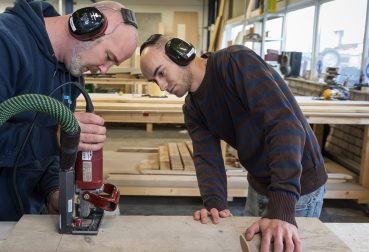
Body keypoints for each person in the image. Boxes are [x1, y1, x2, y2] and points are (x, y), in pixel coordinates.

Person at [0, 0, 138, 221]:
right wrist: (53, 136)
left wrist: (52, 191)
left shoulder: (68, 72)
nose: (104, 70)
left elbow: (45, 151)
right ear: (87, 26)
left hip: (19, 209)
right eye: (108, 57)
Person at [139, 34, 327, 252]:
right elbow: (207, 158)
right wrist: (215, 205)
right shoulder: (192, 108)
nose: (161, 86)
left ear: (181, 53)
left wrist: (281, 210)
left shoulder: (236, 63)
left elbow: (284, 126)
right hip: (259, 183)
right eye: (154, 81)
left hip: (298, 185)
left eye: (161, 73)